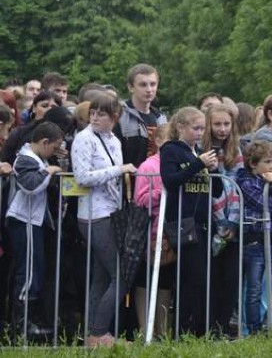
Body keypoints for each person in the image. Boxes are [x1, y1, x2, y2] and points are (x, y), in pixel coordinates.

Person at [71, 93, 137, 348]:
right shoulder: (84, 138)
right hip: (93, 215)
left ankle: (92, 334)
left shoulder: (114, 140)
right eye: (93, 112)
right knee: (120, 276)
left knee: (102, 277)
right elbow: (82, 177)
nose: (96, 117)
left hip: (111, 212)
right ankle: (99, 333)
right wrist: (119, 170)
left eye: (102, 113)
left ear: (114, 117)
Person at [159, 107, 221, 337]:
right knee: (192, 278)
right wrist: (198, 165)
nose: (199, 133)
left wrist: (215, 170)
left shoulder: (200, 152)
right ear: (180, 128)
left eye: (202, 129)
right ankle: (183, 329)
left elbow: (217, 190)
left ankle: (201, 329)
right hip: (184, 223)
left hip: (204, 222)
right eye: (195, 128)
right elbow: (170, 180)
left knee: (205, 279)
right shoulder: (171, 150)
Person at [7, 121, 63, 339]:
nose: (55, 153)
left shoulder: (38, 158)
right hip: (24, 220)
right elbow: (30, 186)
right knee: (28, 271)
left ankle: (30, 320)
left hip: (33, 221)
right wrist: (48, 171)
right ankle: (21, 325)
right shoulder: (25, 159)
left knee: (36, 269)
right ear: (44, 142)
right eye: (54, 147)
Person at [237, 140, 272, 334]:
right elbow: (268, 205)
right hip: (255, 240)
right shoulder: (246, 182)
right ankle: (253, 328)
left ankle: (268, 322)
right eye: (267, 162)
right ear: (253, 164)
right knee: (253, 289)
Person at [203, 104, 244, 337]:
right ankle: (210, 326)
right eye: (217, 124)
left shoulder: (236, 151)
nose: (222, 129)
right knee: (213, 277)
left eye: (226, 124)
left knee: (231, 277)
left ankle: (224, 325)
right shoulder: (201, 149)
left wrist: (232, 222)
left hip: (232, 218)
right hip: (210, 218)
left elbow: (236, 189)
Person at [133, 124, 174, 340]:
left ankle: (162, 329)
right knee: (145, 280)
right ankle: (144, 329)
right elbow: (140, 200)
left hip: (170, 231)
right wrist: (162, 191)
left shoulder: (176, 165)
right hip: (150, 231)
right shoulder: (148, 166)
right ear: (158, 141)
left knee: (165, 282)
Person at [115, 64, 167, 171]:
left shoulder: (161, 118)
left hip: (155, 181)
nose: (149, 89)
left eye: (153, 84)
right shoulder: (119, 115)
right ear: (131, 87)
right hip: (127, 181)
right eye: (143, 85)